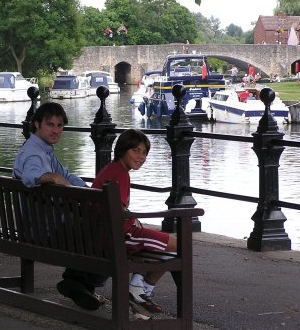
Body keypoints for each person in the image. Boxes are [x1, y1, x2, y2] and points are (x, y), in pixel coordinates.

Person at [13, 102, 107, 311]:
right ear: (37, 124)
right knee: (106, 232)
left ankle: (78, 283)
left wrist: (88, 189)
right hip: (44, 230)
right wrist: (53, 178)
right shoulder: (34, 154)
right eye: (50, 125)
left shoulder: (43, 149)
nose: (56, 130)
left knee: (97, 225)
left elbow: (65, 173)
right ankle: (79, 282)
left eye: (60, 125)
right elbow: (30, 176)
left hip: (42, 224)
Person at [92, 129, 178, 319]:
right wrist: (134, 218)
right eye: (136, 150)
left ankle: (139, 294)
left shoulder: (110, 169)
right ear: (123, 149)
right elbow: (119, 213)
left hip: (103, 235)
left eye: (144, 152)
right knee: (179, 247)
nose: (141, 157)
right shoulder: (120, 174)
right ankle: (139, 290)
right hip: (121, 237)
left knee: (169, 247)